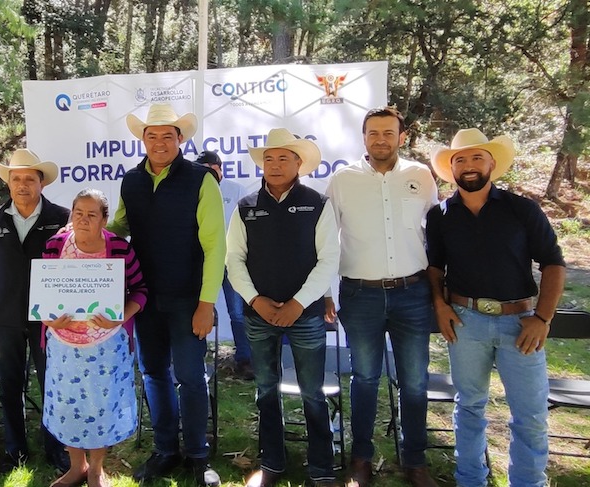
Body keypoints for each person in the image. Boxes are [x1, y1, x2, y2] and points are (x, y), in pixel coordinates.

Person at [426, 128, 565, 487]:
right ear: (451, 168)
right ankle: (470, 480)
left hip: (520, 324)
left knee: (530, 415)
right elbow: (434, 268)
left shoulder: (522, 210)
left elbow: (553, 263)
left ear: (492, 163)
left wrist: (543, 318)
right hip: (465, 322)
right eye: (461, 160)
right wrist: (440, 307)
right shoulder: (440, 215)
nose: (469, 166)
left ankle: (528, 482)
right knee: (469, 408)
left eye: (477, 158)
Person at [107, 103, 226, 486]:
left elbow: (215, 246)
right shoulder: (130, 181)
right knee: (154, 373)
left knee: (191, 376)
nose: (159, 142)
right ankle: (165, 450)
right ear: (143, 140)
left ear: (180, 139)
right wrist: (80, 241)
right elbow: (118, 228)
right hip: (144, 298)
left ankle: (197, 454)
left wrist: (206, 303)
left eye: (167, 136)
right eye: (152, 135)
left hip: (188, 299)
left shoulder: (200, 179)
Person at [324, 107, 438, 487]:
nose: (381, 140)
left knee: (415, 381)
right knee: (365, 378)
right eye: (373, 133)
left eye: (388, 133)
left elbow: (434, 236)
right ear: (364, 137)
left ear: (401, 137)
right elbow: (324, 239)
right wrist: (325, 292)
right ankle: (361, 458)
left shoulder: (421, 176)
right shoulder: (343, 180)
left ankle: (415, 459)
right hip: (361, 295)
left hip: (413, 293)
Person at [226, 128, 341, 487]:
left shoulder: (318, 204)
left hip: (304, 317)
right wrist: (256, 301)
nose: (275, 165)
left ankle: (321, 465)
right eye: (269, 159)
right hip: (259, 317)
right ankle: (272, 461)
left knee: (312, 392)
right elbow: (234, 260)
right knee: (266, 391)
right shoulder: (246, 207)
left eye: (283, 158)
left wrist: (297, 304)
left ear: (299, 163)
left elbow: (329, 259)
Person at [0, 148, 71, 476]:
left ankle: (57, 449)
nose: (23, 184)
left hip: (50, 320)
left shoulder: (61, 216)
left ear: (41, 183)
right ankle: (15, 450)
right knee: (10, 385)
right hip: (6, 315)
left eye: (30, 178)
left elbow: (73, 267)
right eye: (16, 179)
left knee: (52, 383)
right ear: (9, 184)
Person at [41, 189, 148, 487]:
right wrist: (47, 316)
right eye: (78, 213)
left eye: (92, 215)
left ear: (104, 219)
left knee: (101, 408)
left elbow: (140, 290)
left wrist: (121, 315)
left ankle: (96, 469)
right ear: (70, 214)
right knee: (68, 408)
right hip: (64, 346)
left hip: (106, 345)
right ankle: (77, 466)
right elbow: (42, 293)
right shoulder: (54, 245)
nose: (83, 220)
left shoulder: (119, 249)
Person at [195, 151, 253, 380]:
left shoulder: (237, 190)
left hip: (231, 261)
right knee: (198, 308)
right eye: (202, 168)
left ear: (221, 168)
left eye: (211, 167)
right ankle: (197, 356)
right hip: (203, 261)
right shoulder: (193, 189)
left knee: (238, 313)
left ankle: (246, 360)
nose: (208, 172)